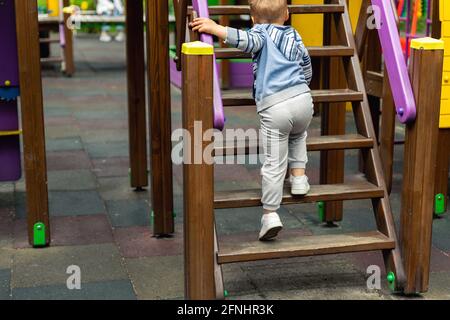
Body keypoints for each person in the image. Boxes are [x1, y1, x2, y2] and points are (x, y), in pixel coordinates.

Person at [190, 0, 313, 241]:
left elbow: (244, 41)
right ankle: (299, 178)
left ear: (253, 19)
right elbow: (306, 64)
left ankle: (270, 215)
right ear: (286, 14)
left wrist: (216, 28)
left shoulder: (260, 33)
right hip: (303, 99)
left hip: (275, 105)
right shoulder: (295, 35)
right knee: (299, 135)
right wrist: (304, 84)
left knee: (274, 162)